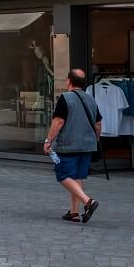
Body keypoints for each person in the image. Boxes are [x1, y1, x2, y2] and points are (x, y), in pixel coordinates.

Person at [43, 68, 102, 222]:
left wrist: (48, 140)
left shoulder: (65, 98)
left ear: (69, 81)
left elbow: (59, 121)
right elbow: (98, 123)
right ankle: (74, 212)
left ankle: (88, 201)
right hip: (87, 145)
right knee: (76, 176)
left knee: (62, 174)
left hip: (69, 144)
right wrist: (95, 139)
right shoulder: (91, 99)